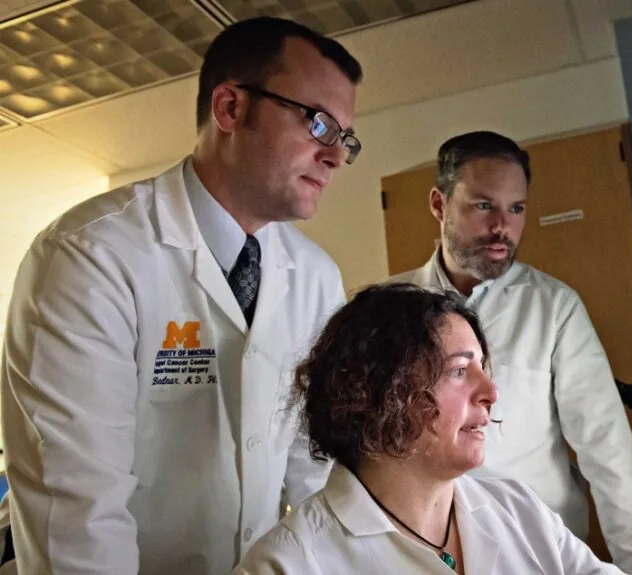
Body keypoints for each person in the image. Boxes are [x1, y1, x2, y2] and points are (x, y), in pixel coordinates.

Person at [0, 17, 362, 575]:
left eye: (345, 138)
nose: (336, 156)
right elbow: (78, 516)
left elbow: (316, 472)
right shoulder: (91, 256)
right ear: (230, 109)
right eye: (318, 125)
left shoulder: (316, 278)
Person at [234, 283, 632, 574]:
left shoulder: (511, 508)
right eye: (460, 371)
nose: (491, 391)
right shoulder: (290, 564)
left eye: (485, 366)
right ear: (377, 391)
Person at [390, 130, 632, 572]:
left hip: (539, 557)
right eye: (484, 206)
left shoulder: (554, 308)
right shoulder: (388, 309)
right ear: (439, 205)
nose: (503, 226)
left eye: (516, 208)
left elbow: (607, 451)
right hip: (420, 557)